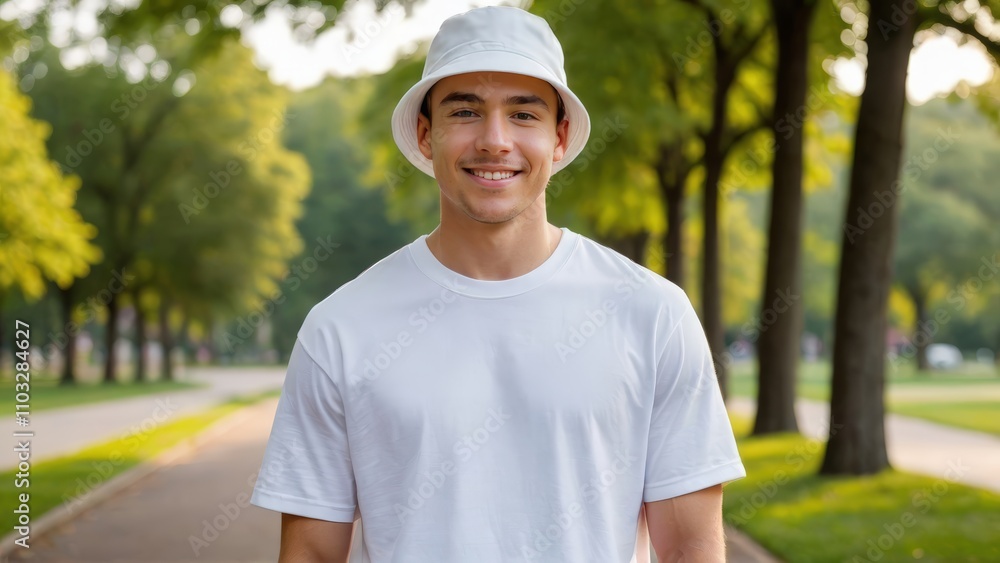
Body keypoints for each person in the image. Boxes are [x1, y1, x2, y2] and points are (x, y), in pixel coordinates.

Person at [250, 6, 745, 562]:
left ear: (559, 138)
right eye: (464, 111)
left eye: (523, 115)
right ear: (424, 134)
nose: (494, 140)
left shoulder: (652, 314)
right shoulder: (340, 328)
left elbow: (691, 550)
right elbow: (311, 554)